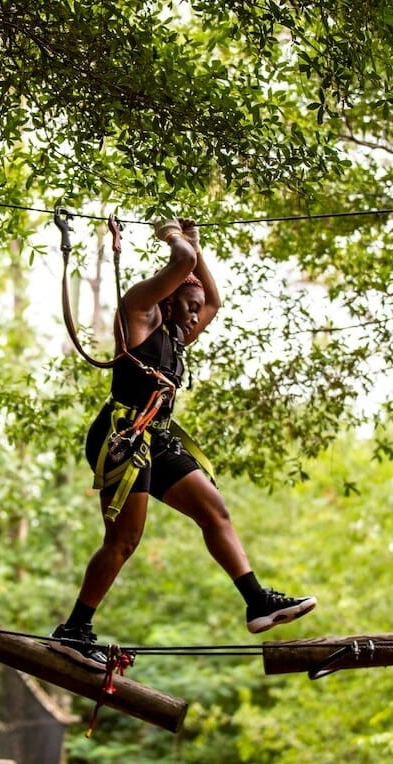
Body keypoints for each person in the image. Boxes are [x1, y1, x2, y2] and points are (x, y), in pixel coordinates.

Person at [50, 217, 316, 670]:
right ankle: (74, 629)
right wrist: (175, 239)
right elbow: (184, 264)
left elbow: (212, 298)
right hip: (122, 435)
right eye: (187, 306)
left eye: (195, 311)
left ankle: (256, 602)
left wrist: (195, 243)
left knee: (214, 510)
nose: (195, 317)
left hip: (154, 435)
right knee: (125, 539)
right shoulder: (138, 311)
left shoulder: (177, 333)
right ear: (168, 299)